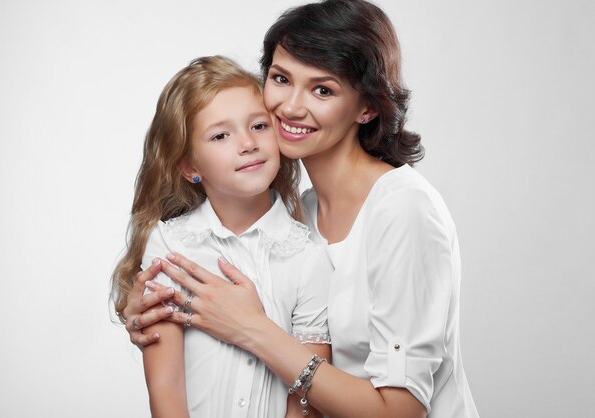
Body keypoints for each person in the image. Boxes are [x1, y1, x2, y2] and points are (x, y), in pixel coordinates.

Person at [122, 1, 479, 417]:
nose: (290, 107)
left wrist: (251, 330)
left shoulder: (403, 210)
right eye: (280, 78)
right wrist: (147, 317)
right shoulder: (299, 216)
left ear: (367, 107)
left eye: (322, 90)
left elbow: (401, 412)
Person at [111, 55, 332, 418]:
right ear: (190, 167)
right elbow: (166, 386)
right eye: (220, 135)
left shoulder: (308, 253)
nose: (247, 143)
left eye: (259, 126)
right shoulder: (171, 245)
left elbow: (306, 399)